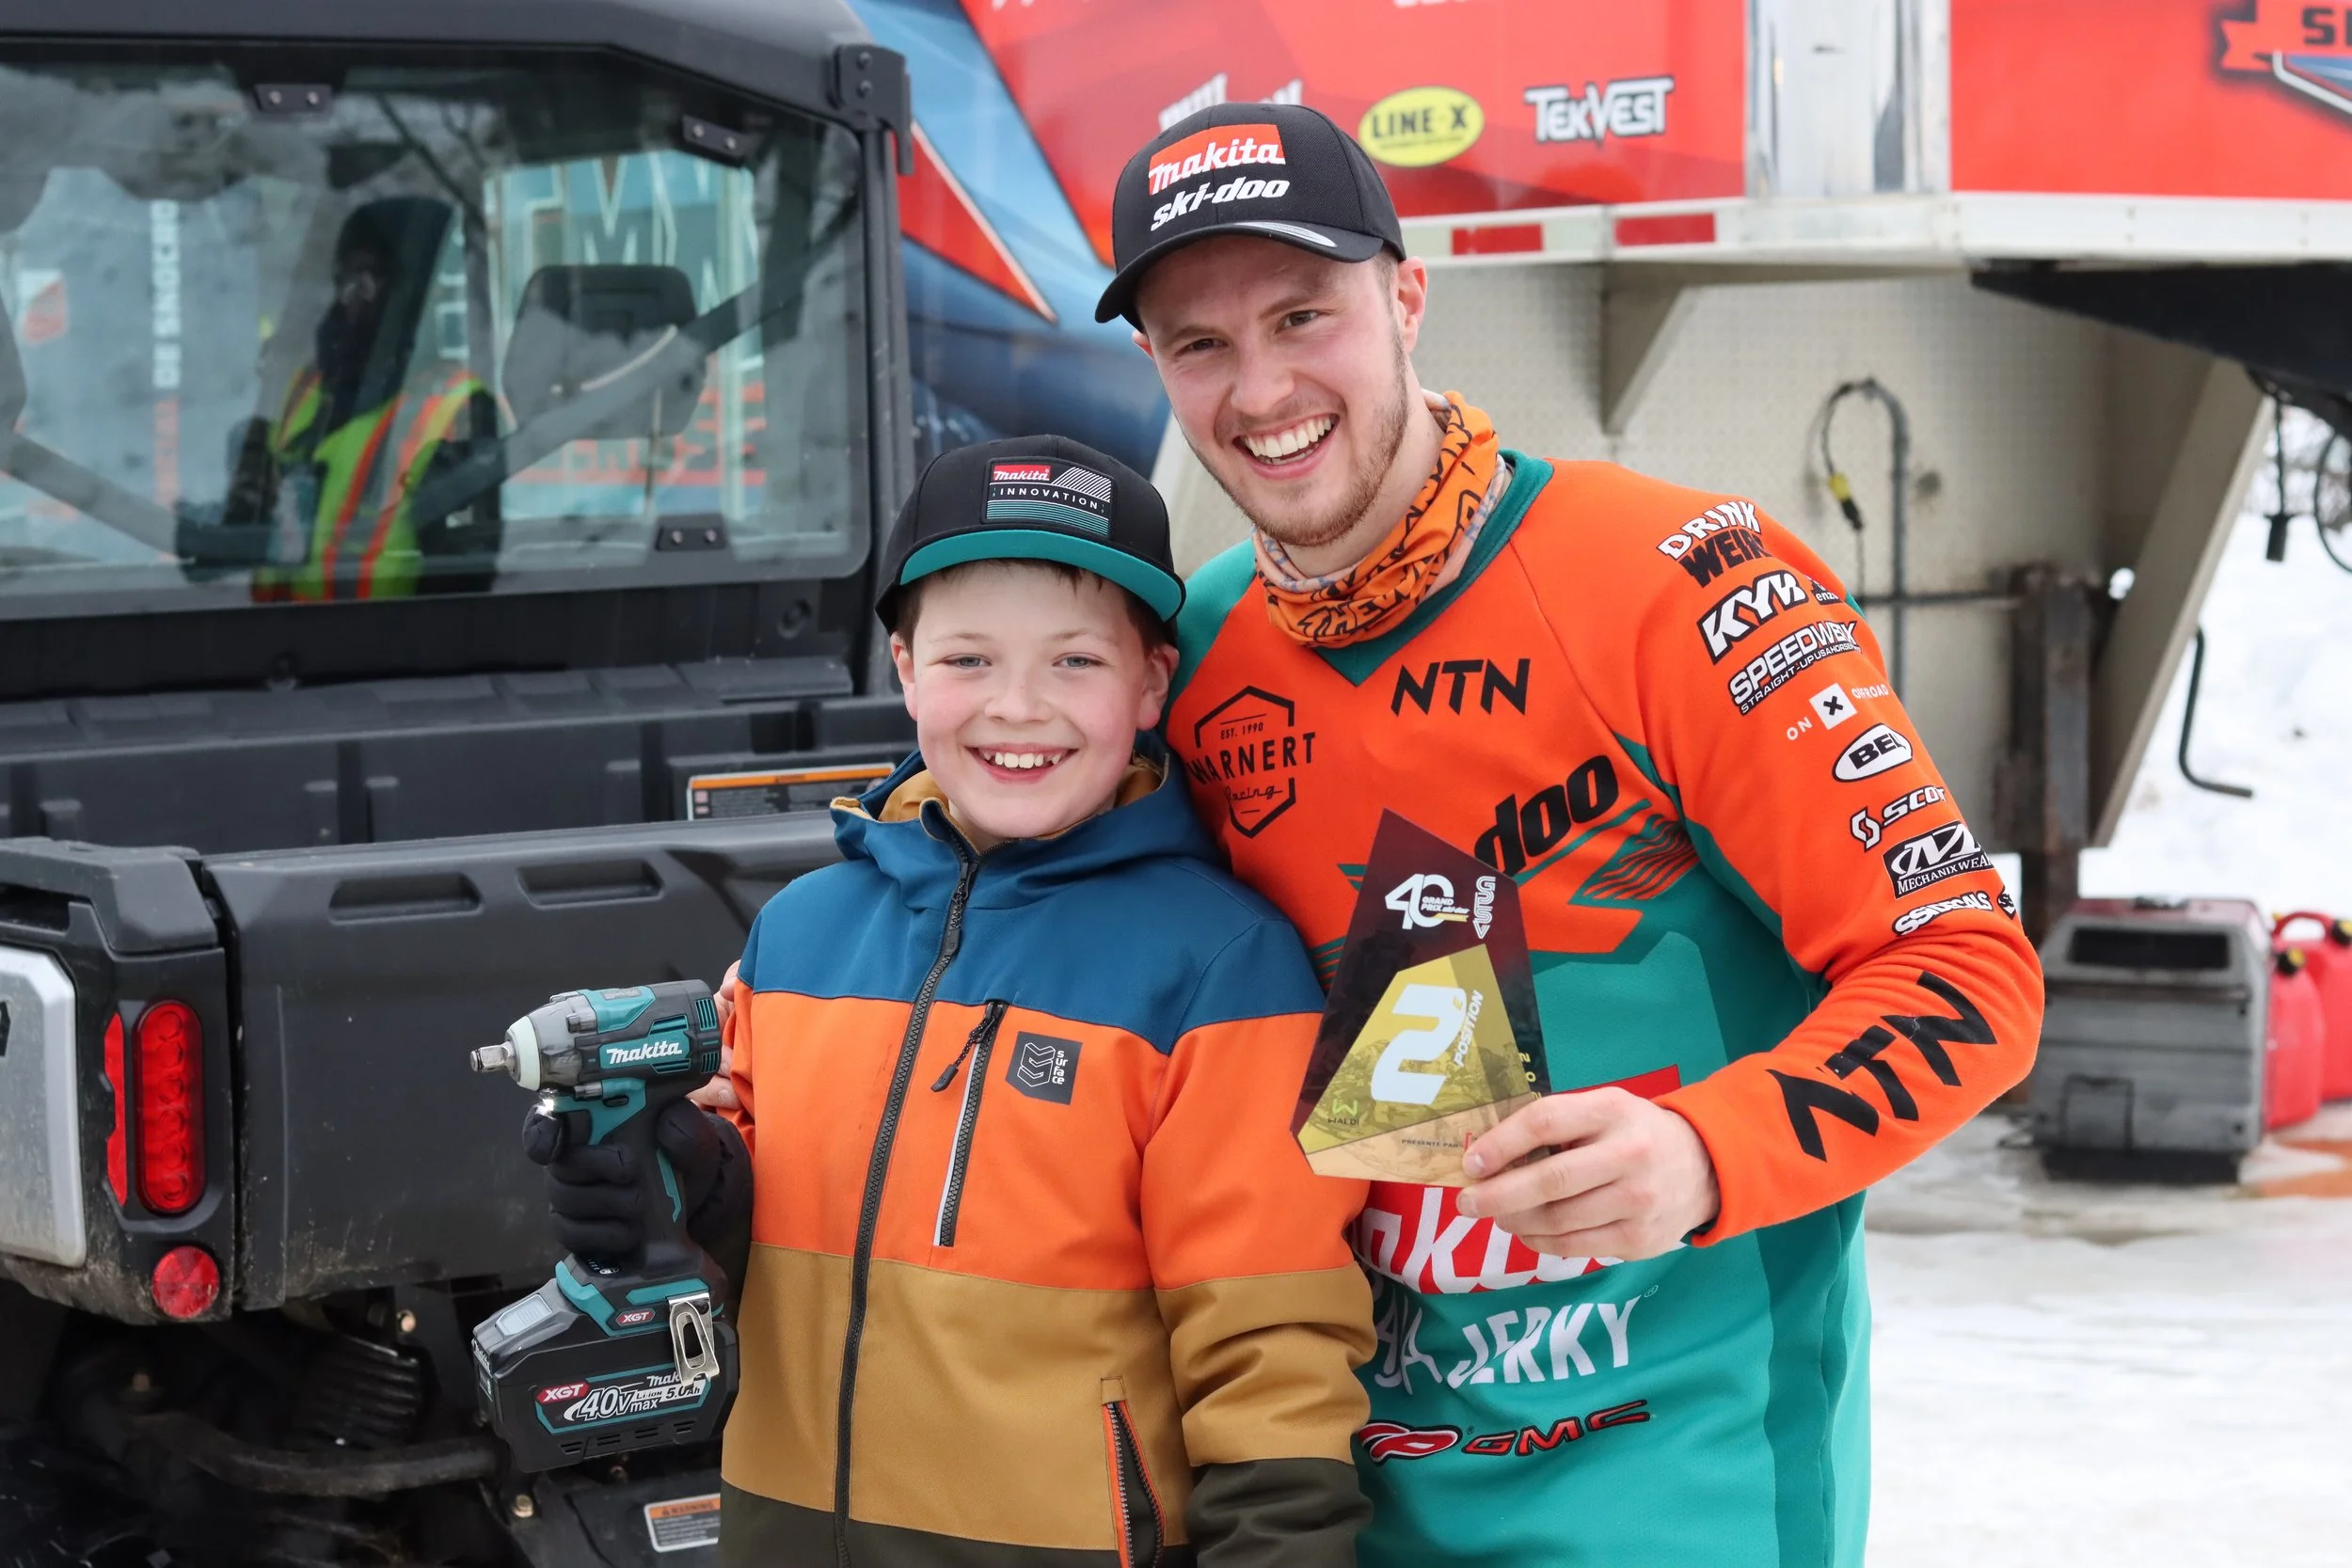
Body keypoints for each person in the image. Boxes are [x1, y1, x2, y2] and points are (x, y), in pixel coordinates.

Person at [1093, 104, 2046, 1566]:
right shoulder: (1201, 649)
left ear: (1408, 298)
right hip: (1353, 1500)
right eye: (1198, 343)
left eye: (1303, 315)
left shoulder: (1679, 580)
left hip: (1679, 1496)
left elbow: (1966, 971)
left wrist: (1705, 1151)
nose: (1262, 387)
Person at [543, 435, 1377, 1566]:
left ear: (1150, 683)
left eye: (1074, 660)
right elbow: (757, 1225)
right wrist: (685, 1170)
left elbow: (1272, 1345)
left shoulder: (1221, 968)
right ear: (904, 667)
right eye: (968, 658)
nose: (1017, 707)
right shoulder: (802, 929)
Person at [184, 198, 498, 598]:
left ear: (415, 293)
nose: (352, 294)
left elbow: (470, 587)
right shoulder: (306, 391)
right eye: (345, 275)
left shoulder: (457, 411)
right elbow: (261, 521)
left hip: (395, 634)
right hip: (265, 633)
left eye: (371, 276)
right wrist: (211, 531)